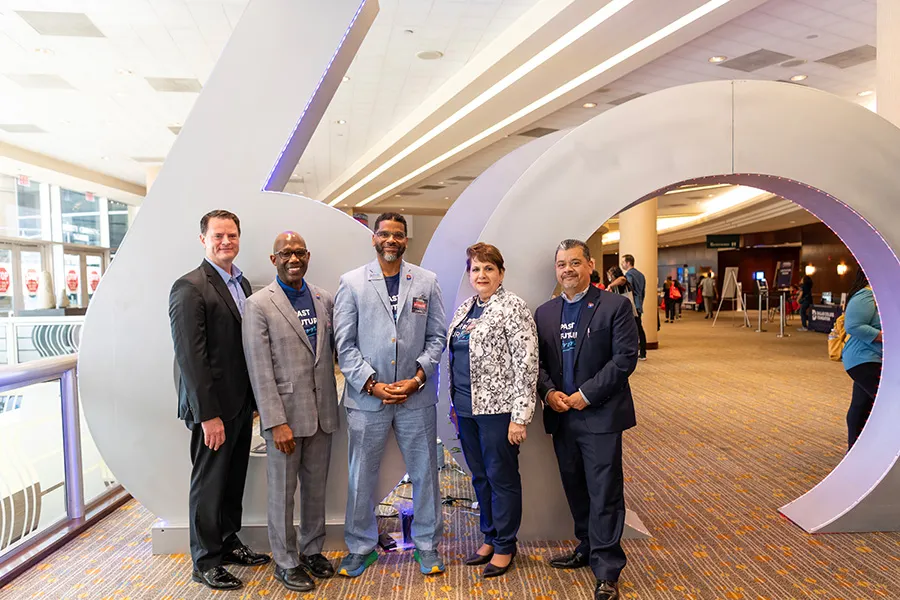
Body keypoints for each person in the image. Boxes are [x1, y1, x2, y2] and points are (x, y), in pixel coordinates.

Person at [333, 212, 448, 578]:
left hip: (416, 397)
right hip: (368, 399)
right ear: (374, 239)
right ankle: (360, 547)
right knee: (360, 475)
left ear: (405, 240)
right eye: (384, 234)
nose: (391, 240)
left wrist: (417, 378)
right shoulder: (351, 283)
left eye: (398, 235)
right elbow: (344, 344)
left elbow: (437, 337)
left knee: (425, 474)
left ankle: (427, 546)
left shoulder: (426, 282)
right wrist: (370, 383)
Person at [168, 210, 270, 591]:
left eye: (232, 235)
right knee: (209, 483)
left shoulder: (239, 282)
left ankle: (228, 542)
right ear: (203, 240)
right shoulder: (190, 287)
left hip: (241, 403)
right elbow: (191, 359)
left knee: (232, 480)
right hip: (212, 408)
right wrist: (208, 415)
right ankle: (205, 560)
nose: (226, 241)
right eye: (218, 236)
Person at [535, 239, 638, 600]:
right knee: (575, 486)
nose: (568, 270)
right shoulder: (544, 313)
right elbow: (539, 365)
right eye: (561, 264)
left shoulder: (615, 306)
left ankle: (607, 568)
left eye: (575, 263)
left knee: (605, 492)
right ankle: (586, 546)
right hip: (562, 416)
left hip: (600, 416)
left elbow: (624, 359)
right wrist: (549, 393)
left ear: (591, 265)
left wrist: (586, 395)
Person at [242, 232, 338, 592]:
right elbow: (259, 368)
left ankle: (312, 550)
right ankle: (285, 561)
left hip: (322, 412)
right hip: (283, 416)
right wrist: (274, 421)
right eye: (286, 253)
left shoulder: (323, 298)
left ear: (308, 256)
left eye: (299, 252)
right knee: (282, 494)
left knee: (315, 490)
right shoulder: (258, 305)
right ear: (274, 259)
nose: (293, 258)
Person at [448, 243, 538, 578]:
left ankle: (505, 545)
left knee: (502, 478)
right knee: (481, 477)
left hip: (498, 412)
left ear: (501, 273)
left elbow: (527, 364)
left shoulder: (513, 307)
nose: (481, 275)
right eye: (475, 269)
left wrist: (520, 416)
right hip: (466, 410)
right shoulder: (466, 308)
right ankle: (489, 536)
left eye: (488, 268)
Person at [841, 267, 882, 450]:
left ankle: (855, 450)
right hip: (863, 359)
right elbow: (854, 325)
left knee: (862, 405)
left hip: (873, 358)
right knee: (886, 400)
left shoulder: (882, 294)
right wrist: (885, 335)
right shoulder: (866, 295)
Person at [621, 255, 647, 360]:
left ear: (628, 263)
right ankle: (643, 351)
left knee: (632, 329)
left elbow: (628, 289)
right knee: (639, 327)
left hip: (632, 305)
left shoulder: (628, 275)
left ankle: (636, 351)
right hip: (639, 303)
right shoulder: (641, 275)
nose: (622, 264)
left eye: (623, 262)